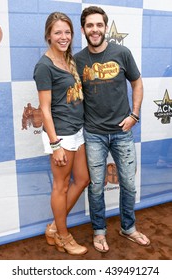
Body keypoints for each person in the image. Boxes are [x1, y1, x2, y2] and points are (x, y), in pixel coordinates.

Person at [74, 6, 150, 252]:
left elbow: (137, 83)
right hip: (93, 133)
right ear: (84, 29)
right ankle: (99, 231)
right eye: (89, 25)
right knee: (96, 186)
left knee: (128, 183)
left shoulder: (122, 52)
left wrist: (134, 115)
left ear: (105, 27)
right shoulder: (78, 60)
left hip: (122, 132)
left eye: (99, 25)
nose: (94, 30)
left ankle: (128, 227)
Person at [33, 12, 90, 255]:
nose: (64, 37)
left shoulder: (69, 60)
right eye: (58, 32)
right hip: (61, 136)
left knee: (83, 179)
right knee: (61, 186)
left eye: (67, 32)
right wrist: (55, 144)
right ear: (48, 35)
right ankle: (63, 236)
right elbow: (44, 109)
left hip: (77, 131)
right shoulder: (44, 66)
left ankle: (55, 227)